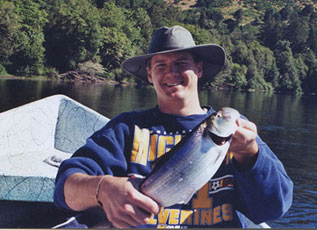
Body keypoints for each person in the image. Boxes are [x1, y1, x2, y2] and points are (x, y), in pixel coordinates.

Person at [54, 25, 293, 228]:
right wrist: (102, 188)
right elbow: (65, 189)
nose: (171, 72)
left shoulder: (240, 134)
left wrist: (251, 155)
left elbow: (272, 209)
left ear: (199, 68)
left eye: (181, 63)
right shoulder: (125, 128)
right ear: (149, 74)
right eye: (160, 65)